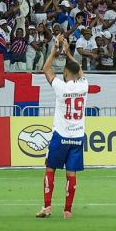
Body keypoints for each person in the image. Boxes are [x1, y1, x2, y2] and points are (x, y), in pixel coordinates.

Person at [36, 35, 87, 219]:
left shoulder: (61, 87)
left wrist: (54, 51)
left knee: (50, 169)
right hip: (77, 136)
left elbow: (46, 69)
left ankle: (47, 207)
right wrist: (67, 53)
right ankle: (67, 210)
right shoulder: (84, 86)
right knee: (71, 174)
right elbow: (79, 71)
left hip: (60, 135)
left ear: (65, 74)